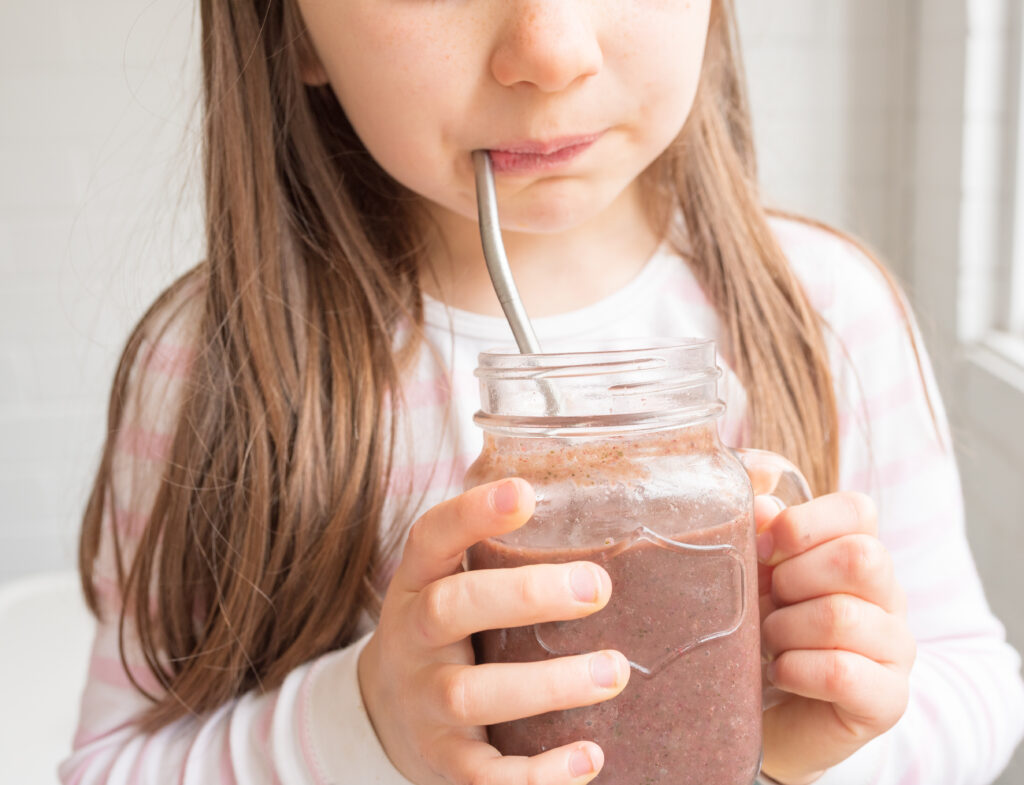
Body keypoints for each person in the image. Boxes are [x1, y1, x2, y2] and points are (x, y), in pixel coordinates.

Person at [60, 1, 1024, 783]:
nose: (550, 48)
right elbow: (107, 767)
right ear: (292, 28)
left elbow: (980, 686)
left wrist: (798, 739)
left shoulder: (827, 317)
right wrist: (364, 727)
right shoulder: (218, 367)